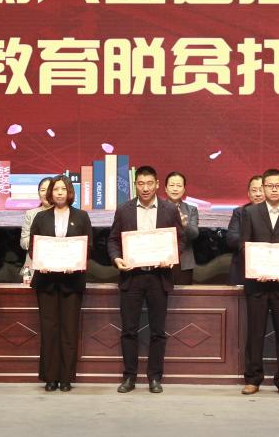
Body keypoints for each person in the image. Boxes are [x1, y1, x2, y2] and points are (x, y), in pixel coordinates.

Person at [108, 165, 185, 394]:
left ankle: (154, 377)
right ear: (135, 185)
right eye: (140, 183)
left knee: (158, 331)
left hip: (158, 276)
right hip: (132, 276)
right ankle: (129, 377)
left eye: (149, 183)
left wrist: (171, 257)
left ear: (157, 184)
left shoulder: (169, 210)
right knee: (129, 330)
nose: (145, 188)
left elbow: (180, 240)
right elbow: (112, 240)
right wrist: (116, 259)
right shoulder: (124, 210)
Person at [240, 169, 279, 397]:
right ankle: (253, 379)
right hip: (257, 284)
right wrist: (256, 268)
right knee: (255, 332)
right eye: (269, 185)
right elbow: (243, 245)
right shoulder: (250, 213)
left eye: (278, 185)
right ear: (263, 188)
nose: (274, 189)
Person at [28, 175, 93, 392]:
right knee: (49, 330)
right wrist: (40, 262)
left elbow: (88, 246)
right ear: (50, 193)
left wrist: (76, 263)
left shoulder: (81, 216)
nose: (59, 193)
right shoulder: (41, 217)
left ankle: (66, 378)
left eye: (63, 189)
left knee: (69, 330)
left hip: (72, 281)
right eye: (55, 189)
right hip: (46, 281)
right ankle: (50, 377)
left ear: (70, 192)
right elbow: (33, 246)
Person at [164, 171, 200, 285]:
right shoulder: (158, 208)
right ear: (165, 189)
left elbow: (194, 234)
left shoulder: (191, 210)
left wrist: (184, 225)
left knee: (183, 295)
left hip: (184, 262)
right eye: (172, 185)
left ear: (184, 190)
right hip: (162, 261)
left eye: (179, 186)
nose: (175, 189)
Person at [226, 175, 263, 286]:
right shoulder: (239, 212)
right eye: (254, 190)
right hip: (242, 269)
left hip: (270, 269)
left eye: (261, 190)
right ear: (248, 194)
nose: (258, 194)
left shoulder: (277, 213)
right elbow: (232, 239)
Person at [19, 176, 54, 276]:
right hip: (34, 261)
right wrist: (35, 241)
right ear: (38, 193)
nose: (46, 193)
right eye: (42, 190)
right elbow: (23, 242)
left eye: (50, 189)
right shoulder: (31, 214)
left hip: (59, 261)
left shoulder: (65, 213)